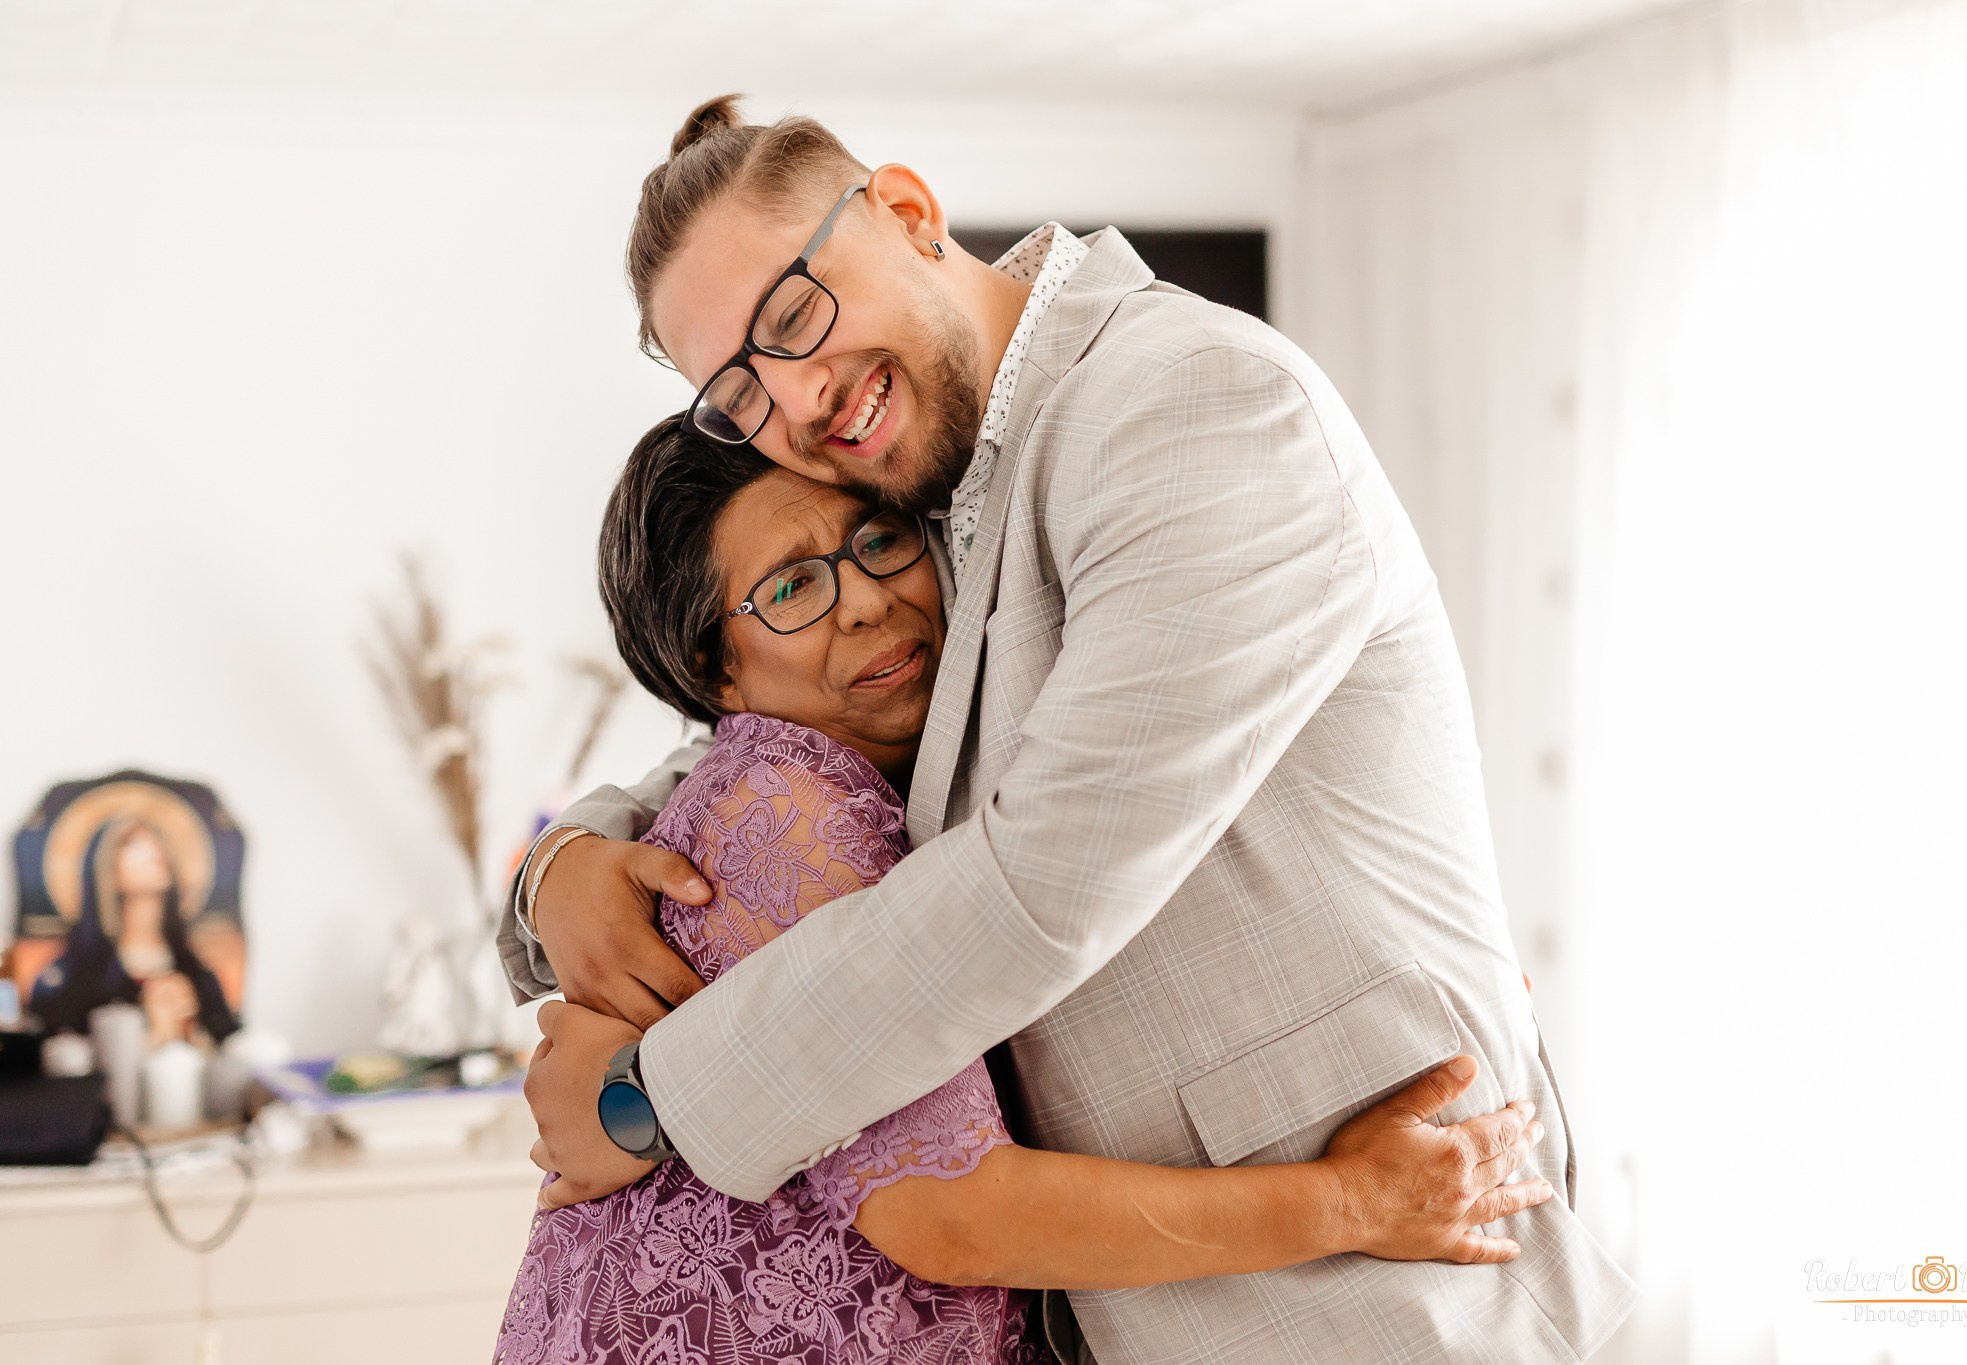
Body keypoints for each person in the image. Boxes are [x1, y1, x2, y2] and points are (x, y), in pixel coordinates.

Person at [509, 97, 1639, 1363]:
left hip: (1395, 1298)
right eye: (739, 389)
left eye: (792, 314)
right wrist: (565, 866)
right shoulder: (941, 478)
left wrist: (654, 1099)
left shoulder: (1191, 406)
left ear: (906, 212)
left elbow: (1040, 885)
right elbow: (797, 716)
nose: (797, 396)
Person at [496, 418, 1551, 1365]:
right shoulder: (789, 810)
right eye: (791, 586)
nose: (865, 600)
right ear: (709, 666)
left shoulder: (912, 756)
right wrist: (1351, 1202)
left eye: (876, 540)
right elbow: (948, 1214)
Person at [31, 817, 238, 1046]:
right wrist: (152, 1035)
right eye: (132, 843)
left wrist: (190, 1030)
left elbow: (228, 1042)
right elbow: (54, 1048)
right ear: (105, 867)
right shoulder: (78, 974)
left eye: (157, 841)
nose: (154, 849)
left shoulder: (195, 972)